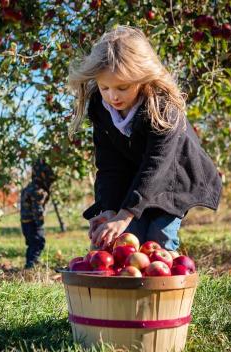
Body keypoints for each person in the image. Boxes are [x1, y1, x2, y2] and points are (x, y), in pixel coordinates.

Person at [67, 25, 222, 252]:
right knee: (126, 240)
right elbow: (109, 164)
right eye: (104, 87)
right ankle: (129, 286)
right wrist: (110, 210)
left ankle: (167, 284)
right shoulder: (101, 109)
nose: (113, 96)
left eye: (122, 87)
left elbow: (156, 166)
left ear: (142, 78)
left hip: (174, 177)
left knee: (158, 238)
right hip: (137, 178)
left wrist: (126, 214)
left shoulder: (162, 108)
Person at [20, 159, 55, 269]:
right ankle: (31, 265)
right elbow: (37, 208)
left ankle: (31, 263)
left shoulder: (30, 187)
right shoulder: (38, 190)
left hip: (25, 222)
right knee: (38, 242)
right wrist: (40, 222)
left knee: (32, 244)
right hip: (33, 222)